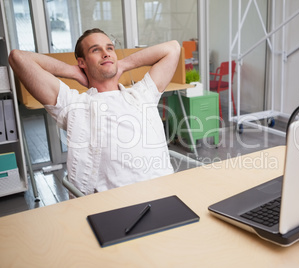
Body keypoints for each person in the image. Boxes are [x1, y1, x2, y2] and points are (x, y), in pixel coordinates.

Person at [9, 28, 180, 196]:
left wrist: (122, 65)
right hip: (113, 205)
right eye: (96, 50)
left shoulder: (142, 94)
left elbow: (172, 48)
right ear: (82, 62)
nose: (106, 53)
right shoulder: (74, 105)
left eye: (110, 48)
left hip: (163, 192)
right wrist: (73, 72)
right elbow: (18, 58)